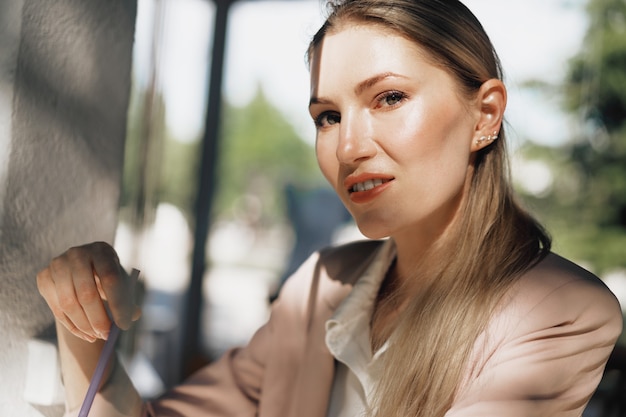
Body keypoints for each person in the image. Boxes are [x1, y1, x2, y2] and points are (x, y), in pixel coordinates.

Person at [36, 0, 623, 416]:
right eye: (329, 116)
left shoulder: (563, 311)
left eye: (389, 97)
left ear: (485, 115)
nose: (348, 147)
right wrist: (83, 314)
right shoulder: (320, 287)